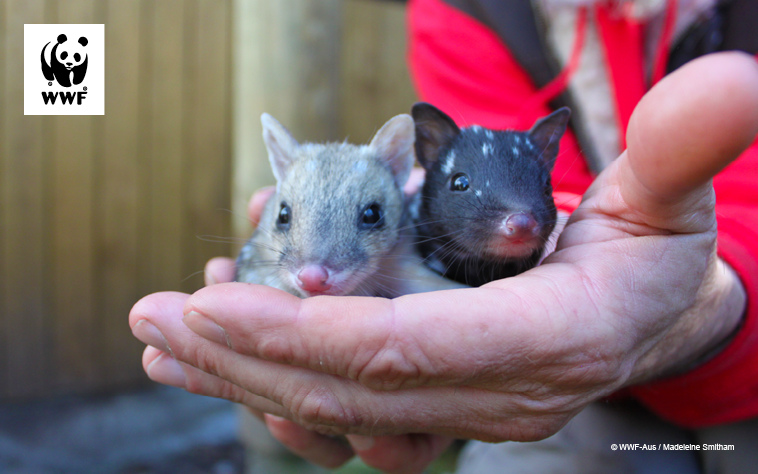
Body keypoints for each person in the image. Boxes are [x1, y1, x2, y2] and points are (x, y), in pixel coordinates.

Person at [130, 0, 758, 472]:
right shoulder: (466, 11)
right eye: (290, 221)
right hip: (588, 406)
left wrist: (706, 298)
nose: (316, 269)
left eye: (371, 218)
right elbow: (493, 179)